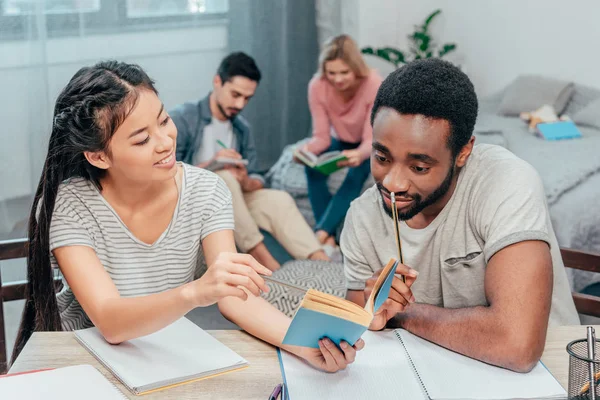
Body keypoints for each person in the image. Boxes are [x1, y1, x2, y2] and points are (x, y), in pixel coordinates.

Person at [11, 60, 363, 372]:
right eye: (141, 139)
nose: (165, 141)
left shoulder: (205, 192)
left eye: (164, 120)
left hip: (157, 355)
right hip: (80, 358)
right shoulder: (71, 204)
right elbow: (110, 321)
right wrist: (195, 292)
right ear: (99, 157)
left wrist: (304, 347)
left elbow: (234, 297)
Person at [341, 58, 579, 373]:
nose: (393, 184)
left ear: (463, 152)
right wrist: (372, 312)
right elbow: (358, 321)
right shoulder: (361, 216)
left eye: (419, 167)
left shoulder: (507, 182)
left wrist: (403, 314)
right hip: (433, 373)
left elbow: (517, 346)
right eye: (382, 156)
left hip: (551, 378)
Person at [172, 52, 329, 271]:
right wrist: (212, 164)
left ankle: (323, 264)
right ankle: (265, 261)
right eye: (235, 94)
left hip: (236, 197)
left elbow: (257, 175)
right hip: (195, 200)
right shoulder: (184, 118)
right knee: (224, 177)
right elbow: (167, 172)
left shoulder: (241, 128)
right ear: (217, 81)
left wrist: (246, 181)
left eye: (247, 98)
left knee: (279, 199)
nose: (240, 103)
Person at [299, 35, 382, 248]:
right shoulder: (317, 86)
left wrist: (360, 155)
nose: (337, 79)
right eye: (331, 73)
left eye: (344, 72)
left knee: (356, 175)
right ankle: (329, 237)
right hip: (340, 141)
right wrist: (304, 151)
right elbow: (322, 137)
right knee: (312, 169)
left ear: (356, 69)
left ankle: (321, 233)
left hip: (368, 144)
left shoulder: (373, 82)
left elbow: (369, 139)